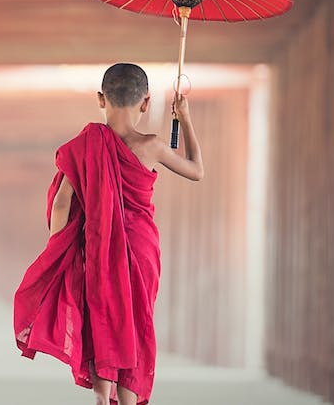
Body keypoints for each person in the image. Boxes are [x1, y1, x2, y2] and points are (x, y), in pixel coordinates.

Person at [13, 63, 204, 405]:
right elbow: (196, 170)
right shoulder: (153, 146)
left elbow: (61, 202)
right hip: (142, 250)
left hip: (100, 249)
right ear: (145, 103)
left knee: (103, 316)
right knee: (135, 320)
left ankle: (103, 396)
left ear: (101, 99)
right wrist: (185, 117)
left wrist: (60, 249)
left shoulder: (83, 146)